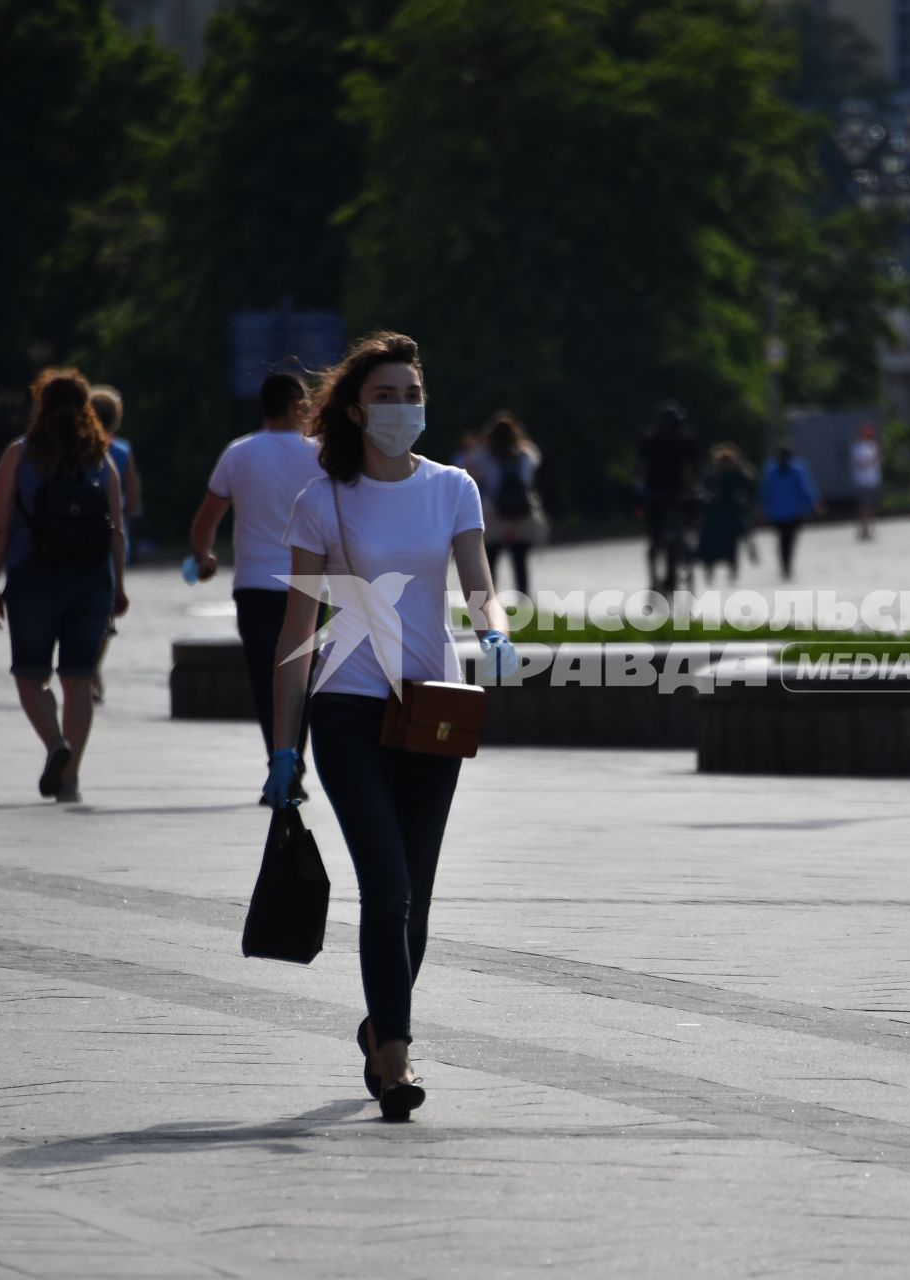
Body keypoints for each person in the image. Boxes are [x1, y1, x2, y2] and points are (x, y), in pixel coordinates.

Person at [267, 331, 513, 1121]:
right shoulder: (323, 499)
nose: (403, 407)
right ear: (353, 407)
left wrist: (497, 633)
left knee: (420, 900)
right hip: (348, 703)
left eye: (413, 393)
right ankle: (398, 1065)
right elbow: (297, 628)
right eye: (386, 394)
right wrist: (282, 743)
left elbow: (480, 584)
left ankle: (380, 1026)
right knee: (388, 886)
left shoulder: (453, 489)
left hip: (432, 706)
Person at [0, 369, 128, 804]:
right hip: (91, 583)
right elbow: (116, 530)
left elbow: (0, 528)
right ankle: (72, 778)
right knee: (79, 681)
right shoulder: (102, 458)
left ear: (40, 406)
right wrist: (118, 586)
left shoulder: (19, 455)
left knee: (30, 677)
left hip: (32, 580)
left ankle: (55, 745)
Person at [189, 371, 322, 805]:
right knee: (301, 678)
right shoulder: (321, 454)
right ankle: (295, 766)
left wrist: (204, 558)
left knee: (267, 680)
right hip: (308, 584)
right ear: (296, 405)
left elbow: (206, 520)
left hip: (254, 585)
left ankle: (277, 762)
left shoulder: (238, 453)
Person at [87, 386, 141, 704]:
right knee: (106, 612)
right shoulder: (121, 451)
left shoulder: (79, 449)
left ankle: (84, 666)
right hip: (114, 538)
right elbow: (132, 500)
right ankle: (93, 667)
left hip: (80, 536)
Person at [473, 412, 547, 597]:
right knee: (520, 560)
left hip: (493, 514)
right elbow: (536, 461)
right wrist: (522, 438)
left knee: (490, 561)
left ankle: (490, 599)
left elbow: (471, 463)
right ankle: (523, 598)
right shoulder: (524, 455)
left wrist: (484, 438)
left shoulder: (487, 457)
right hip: (521, 514)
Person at [638, 401, 698, 592]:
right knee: (655, 540)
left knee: (681, 531)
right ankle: (654, 578)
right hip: (655, 493)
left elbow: (694, 466)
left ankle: (678, 562)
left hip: (678, 492)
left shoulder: (686, 440)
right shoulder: (650, 440)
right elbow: (641, 466)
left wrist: (696, 489)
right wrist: (641, 488)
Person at [759, 441, 822, 582]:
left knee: (782, 540)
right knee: (789, 540)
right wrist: (814, 505)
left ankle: (784, 565)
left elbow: (765, 492)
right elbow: (806, 489)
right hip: (794, 512)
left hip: (778, 512)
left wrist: (763, 509)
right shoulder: (797, 469)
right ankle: (787, 565)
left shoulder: (771, 470)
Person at [695, 443, 756, 585]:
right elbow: (705, 489)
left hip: (731, 512)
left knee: (733, 543)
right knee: (711, 543)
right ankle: (710, 569)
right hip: (716, 512)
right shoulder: (713, 474)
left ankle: (732, 569)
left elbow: (750, 482)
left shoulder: (736, 473)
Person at [850, 423, 882, 539]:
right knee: (864, 506)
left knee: (871, 506)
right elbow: (862, 463)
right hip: (863, 481)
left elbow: (877, 463)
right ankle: (864, 529)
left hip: (873, 480)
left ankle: (869, 527)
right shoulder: (858, 447)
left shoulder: (873, 445)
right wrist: (875, 458)